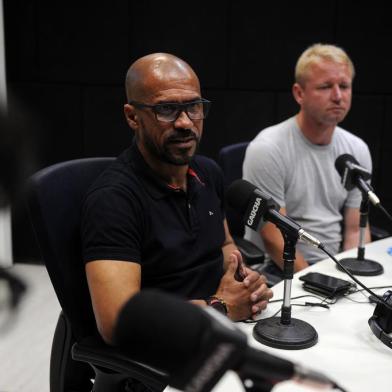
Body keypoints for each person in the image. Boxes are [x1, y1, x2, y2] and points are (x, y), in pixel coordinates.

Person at [81, 53, 273, 345]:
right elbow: (117, 322)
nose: (185, 123)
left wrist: (244, 281)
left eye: (193, 107)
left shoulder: (208, 172)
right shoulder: (113, 200)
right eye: (167, 109)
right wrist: (220, 307)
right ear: (133, 117)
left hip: (222, 326)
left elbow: (223, 244)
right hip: (167, 344)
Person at [243, 43, 372, 279]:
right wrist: (317, 281)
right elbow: (273, 237)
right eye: (325, 87)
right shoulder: (268, 148)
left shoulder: (357, 149)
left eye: (344, 86)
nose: (337, 96)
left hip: (333, 264)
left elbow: (356, 229)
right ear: (299, 93)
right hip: (277, 269)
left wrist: (351, 278)